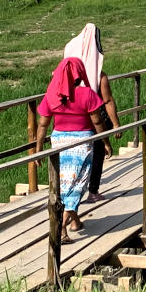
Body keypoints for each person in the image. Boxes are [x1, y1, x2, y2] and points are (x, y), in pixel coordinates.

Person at [34, 57, 111, 243]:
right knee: (78, 185)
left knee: (64, 185)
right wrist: (105, 142)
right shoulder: (87, 94)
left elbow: (43, 124)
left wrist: (38, 149)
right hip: (82, 143)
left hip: (59, 142)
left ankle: (75, 222)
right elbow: (97, 121)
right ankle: (61, 228)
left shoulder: (51, 95)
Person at [63, 24, 120, 203]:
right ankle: (93, 190)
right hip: (94, 122)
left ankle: (70, 195)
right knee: (97, 154)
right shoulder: (99, 77)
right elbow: (108, 101)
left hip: (72, 120)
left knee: (75, 159)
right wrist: (116, 124)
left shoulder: (68, 78)